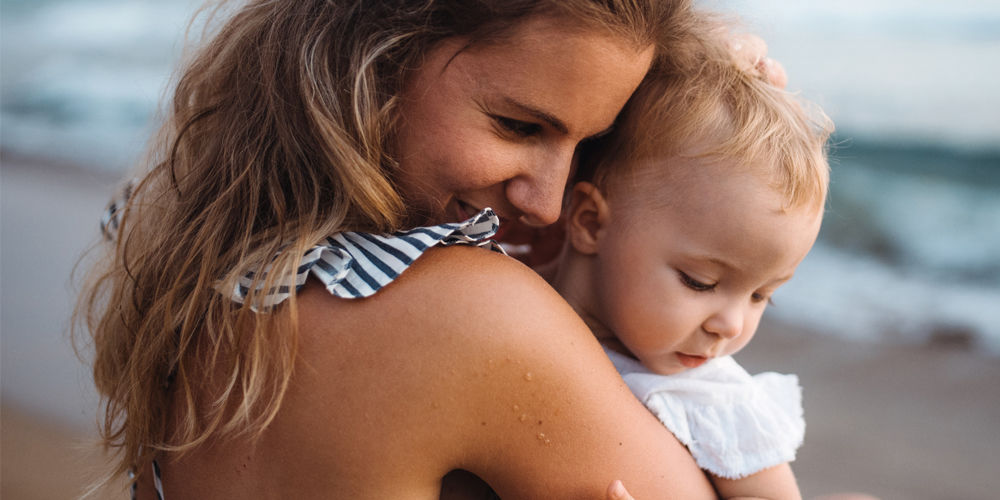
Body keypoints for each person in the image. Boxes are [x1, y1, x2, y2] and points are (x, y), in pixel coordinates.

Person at [75, 1, 788, 498]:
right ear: (379, 57)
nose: (547, 200)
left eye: (588, 145)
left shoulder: (218, 272)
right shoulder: (473, 317)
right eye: (519, 126)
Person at [542, 34, 830, 500]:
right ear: (590, 222)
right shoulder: (507, 289)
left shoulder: (709, 401)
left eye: (762, 295)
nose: (731, 326)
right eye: (701, 282)